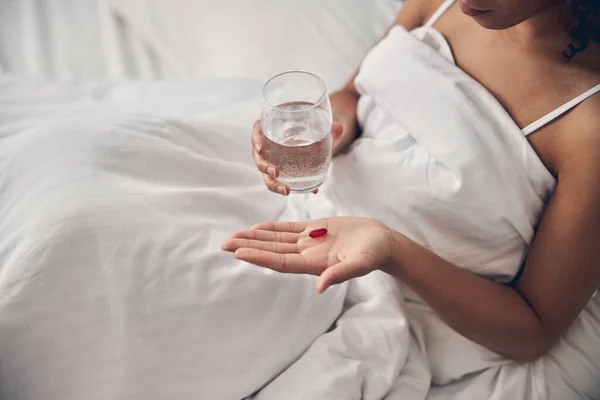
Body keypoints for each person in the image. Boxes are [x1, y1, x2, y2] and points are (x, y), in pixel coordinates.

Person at [222, 0, 600, 398]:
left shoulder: (588, 127)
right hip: (299, 214)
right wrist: (327, 135)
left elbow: (533, 330)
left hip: (394, 300)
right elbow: (352, 92)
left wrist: (391, 250)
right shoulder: (440, 4)